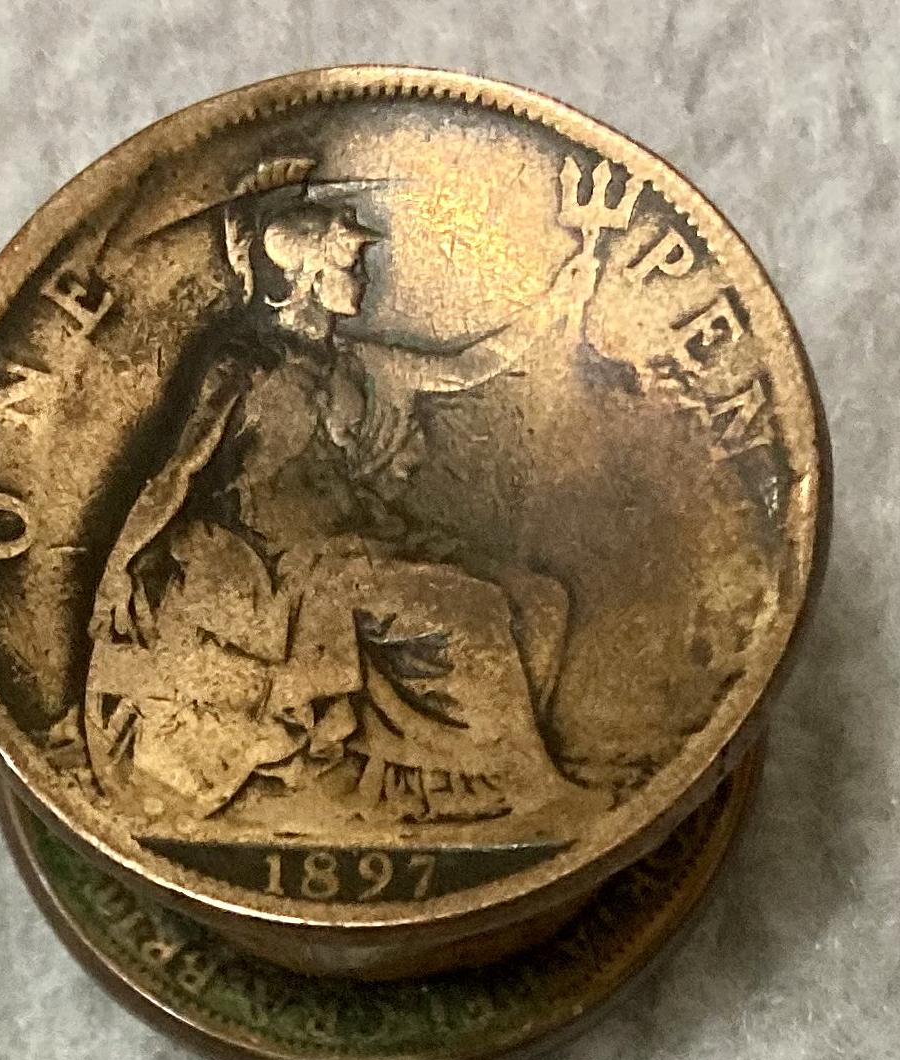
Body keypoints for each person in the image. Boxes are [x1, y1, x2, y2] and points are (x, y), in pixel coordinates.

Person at [84, 157, 579, 836]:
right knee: (474, 614)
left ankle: (448, 785)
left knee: (544, 603)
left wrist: (564, 301)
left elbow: (465, 368)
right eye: (351, 265)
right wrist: (120, 574)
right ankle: (536, 792)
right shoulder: (245, 367)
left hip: (367, 543)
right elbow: (178, 472)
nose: (364, 278)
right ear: (306, 275)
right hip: (294, 568)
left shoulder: (356, 363)